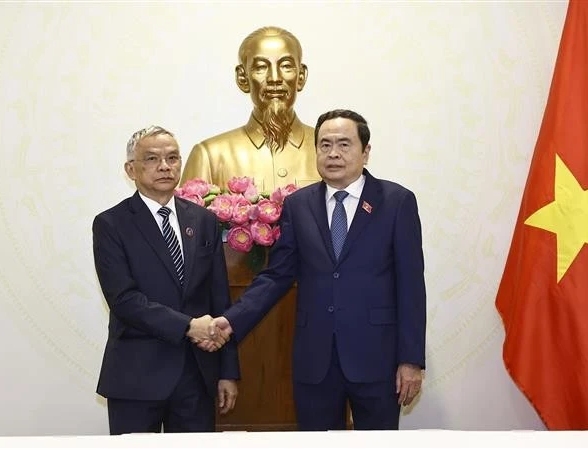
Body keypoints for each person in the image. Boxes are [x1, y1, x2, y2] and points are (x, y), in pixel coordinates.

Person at [207, 109, 426, 430]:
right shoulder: (299, 206)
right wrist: (231, 321)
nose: (333, 153)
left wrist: (411, 360)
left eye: (344, 144)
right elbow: (277, 275)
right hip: (315, 359)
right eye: (324, 145)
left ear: (365, 152)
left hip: (377, 357)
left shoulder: (396, 202)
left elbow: (411, 286)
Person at [92, 125, 239, 434]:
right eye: (152, 159)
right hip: (136, 376)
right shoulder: (111, 224)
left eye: (172, 158)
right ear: (131, 169)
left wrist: (228, 372)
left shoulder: (205, 221)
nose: (164, 166)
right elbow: (124, 300)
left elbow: (219, 300)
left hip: (196, 376)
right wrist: (187, 326)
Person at [180, 26, 321, 192]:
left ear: (301, 76)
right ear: (242, 77)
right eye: (261, 67)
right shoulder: (210, 156)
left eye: (286, 66)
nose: (275, 78)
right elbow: (187, 216)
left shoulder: (328, 151)